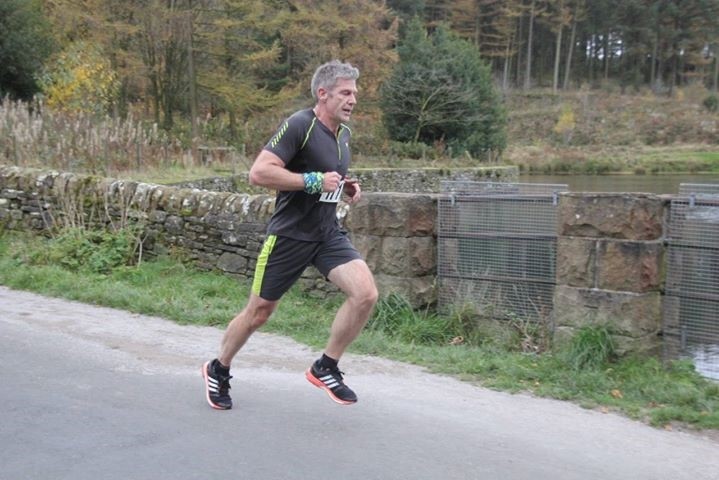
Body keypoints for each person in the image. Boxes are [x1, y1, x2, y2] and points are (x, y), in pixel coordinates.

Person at [202, 60, 378, 409]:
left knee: (365, 294)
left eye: (355, 93)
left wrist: (344, 186)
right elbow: (259, 173)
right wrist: (312, 181)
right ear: (323, 93)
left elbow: (325, 176)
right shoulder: (300, 125)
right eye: (345, 93)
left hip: (327, 233)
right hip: (290, 235)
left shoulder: (343, 134)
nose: (353, 100)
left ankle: (325, 367)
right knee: (259, 312)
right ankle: (218, 367)